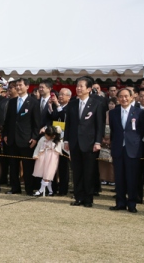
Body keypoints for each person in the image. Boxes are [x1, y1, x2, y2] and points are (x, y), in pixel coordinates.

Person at [64, 76, 104, 207]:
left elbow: (99, 125)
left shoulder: (96, 103)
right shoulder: (72, 103)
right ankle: (78, 197)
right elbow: (68, 124)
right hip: (74, 142)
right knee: (77, 172)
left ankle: (88, 198)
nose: (78, 88)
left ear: (89, 89)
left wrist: (98, 142)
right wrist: (66, 140)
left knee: (89, 172)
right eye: (77, 86)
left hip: (90, 143)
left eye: (81, 86)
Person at [108, 88, 144, 213]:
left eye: (126, 96)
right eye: (121, 96)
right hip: (118, 148)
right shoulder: (113, 112)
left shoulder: (139, 112)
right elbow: (113, 131)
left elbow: (142, 130)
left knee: (132, 178)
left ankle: (132, 203)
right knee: (119, 178)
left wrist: (133, 141)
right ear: (118, 98)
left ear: (132, 97)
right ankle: (120, 203)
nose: (123, 99)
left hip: (133, 149)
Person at [3, 78, 40, 195]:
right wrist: (5, 134)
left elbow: (36, 123)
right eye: (17, 85)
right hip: (12, 139)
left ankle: (29, 189)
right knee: (13, 166)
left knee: (27, 166)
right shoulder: (12, 101)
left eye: (20, 85)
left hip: (26, 139)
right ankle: (15, 188)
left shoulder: (33, 102)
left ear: (27, 86)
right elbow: (7, 120)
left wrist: (34, 138)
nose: (18, 87)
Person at [32, 126, 63, 196]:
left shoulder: (58, 141)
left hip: (52, 158)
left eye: (48, 136)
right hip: (43, 157)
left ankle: (41, 190)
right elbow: (38, 147)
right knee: (44, 173)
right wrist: (35, 155)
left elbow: (62, 148)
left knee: (48, 173)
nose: (46, 137)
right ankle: (51, 191)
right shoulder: (42, 139)